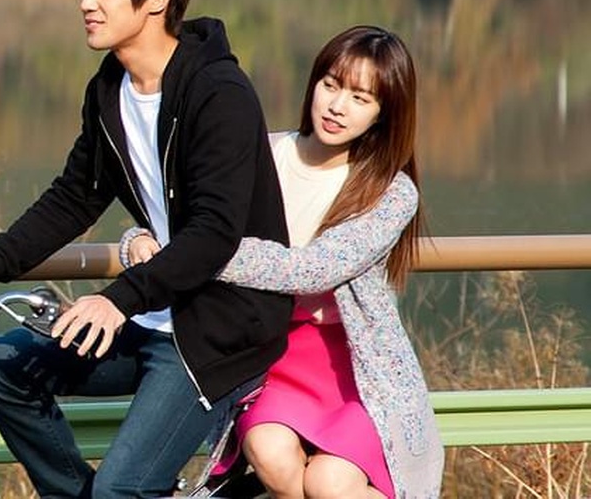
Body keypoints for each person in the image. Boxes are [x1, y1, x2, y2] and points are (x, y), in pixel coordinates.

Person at [0, 0, 293, 499]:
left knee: (121, 489)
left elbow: (214, 233)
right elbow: (74, 197)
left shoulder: (219, 93)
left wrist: (115, 299)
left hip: (216, 330)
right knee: (0, 365)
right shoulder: (109, 88)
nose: (86, 3)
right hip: (150, 313)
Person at [122, 25, 444, 498]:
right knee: (270, 454)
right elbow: (176, 217)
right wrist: (137, 240)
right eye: (330, 85)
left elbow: (314, 269)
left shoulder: (391, 192)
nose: (337, 106)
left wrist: (198, 254)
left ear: (384, 113)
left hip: (355, 366)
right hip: (265, 350)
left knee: (331, 482)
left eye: (360, 98)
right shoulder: (261, 153)